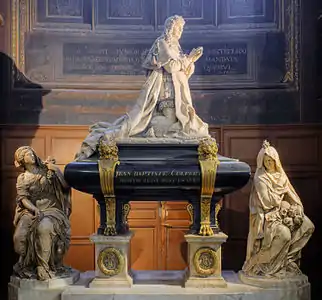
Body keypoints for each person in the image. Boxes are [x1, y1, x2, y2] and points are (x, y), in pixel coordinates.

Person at [75, 15, 209, 160]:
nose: (180, 31)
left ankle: (148, 129)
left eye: (182, 28)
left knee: (187, 124)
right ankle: (143, 130)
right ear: (170, 28)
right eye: (178, 27)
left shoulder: (177, 47)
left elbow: (182, 73)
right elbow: (171, 66)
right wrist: (188, 58)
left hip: (178, 93)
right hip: (165, 92)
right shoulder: (162, 43)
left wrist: (191, 60)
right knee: (177, 124)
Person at [242, 141, 314, 278]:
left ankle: (288, 261)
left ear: (276, 161)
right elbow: (268, 202)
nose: (269, 163)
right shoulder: (260, 178)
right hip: (267, 217)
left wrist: (296, 208)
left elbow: (293, 197)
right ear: (262, 162)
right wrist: (283, 204)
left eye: (271, 160)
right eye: (266, 161)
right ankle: (267, 266)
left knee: (308, 227)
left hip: (286, 212)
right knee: (285, 234)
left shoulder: (281, 176)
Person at [13, 146, 71, 280]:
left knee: (44, 228)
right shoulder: (22, 178)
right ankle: (26, 265)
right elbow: (23, 198)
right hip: (30, 211)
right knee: (19, 237)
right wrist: (34, 209)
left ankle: (42, 267)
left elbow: (66, 186)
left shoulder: (46, 170)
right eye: (28, 154)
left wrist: (56, 170)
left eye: (32, 153)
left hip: (52, 210)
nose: (32, 155)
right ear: (22, 160)